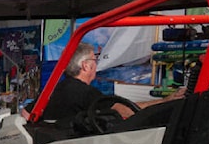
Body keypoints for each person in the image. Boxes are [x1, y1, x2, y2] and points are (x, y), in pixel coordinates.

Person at [38, 42, 184, 122]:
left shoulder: (55, 89)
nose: (96, 65)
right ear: (86, 65)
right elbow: (128, 110)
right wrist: (167, 101)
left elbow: (27, 113)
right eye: (95, 60)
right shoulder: (85, 92)